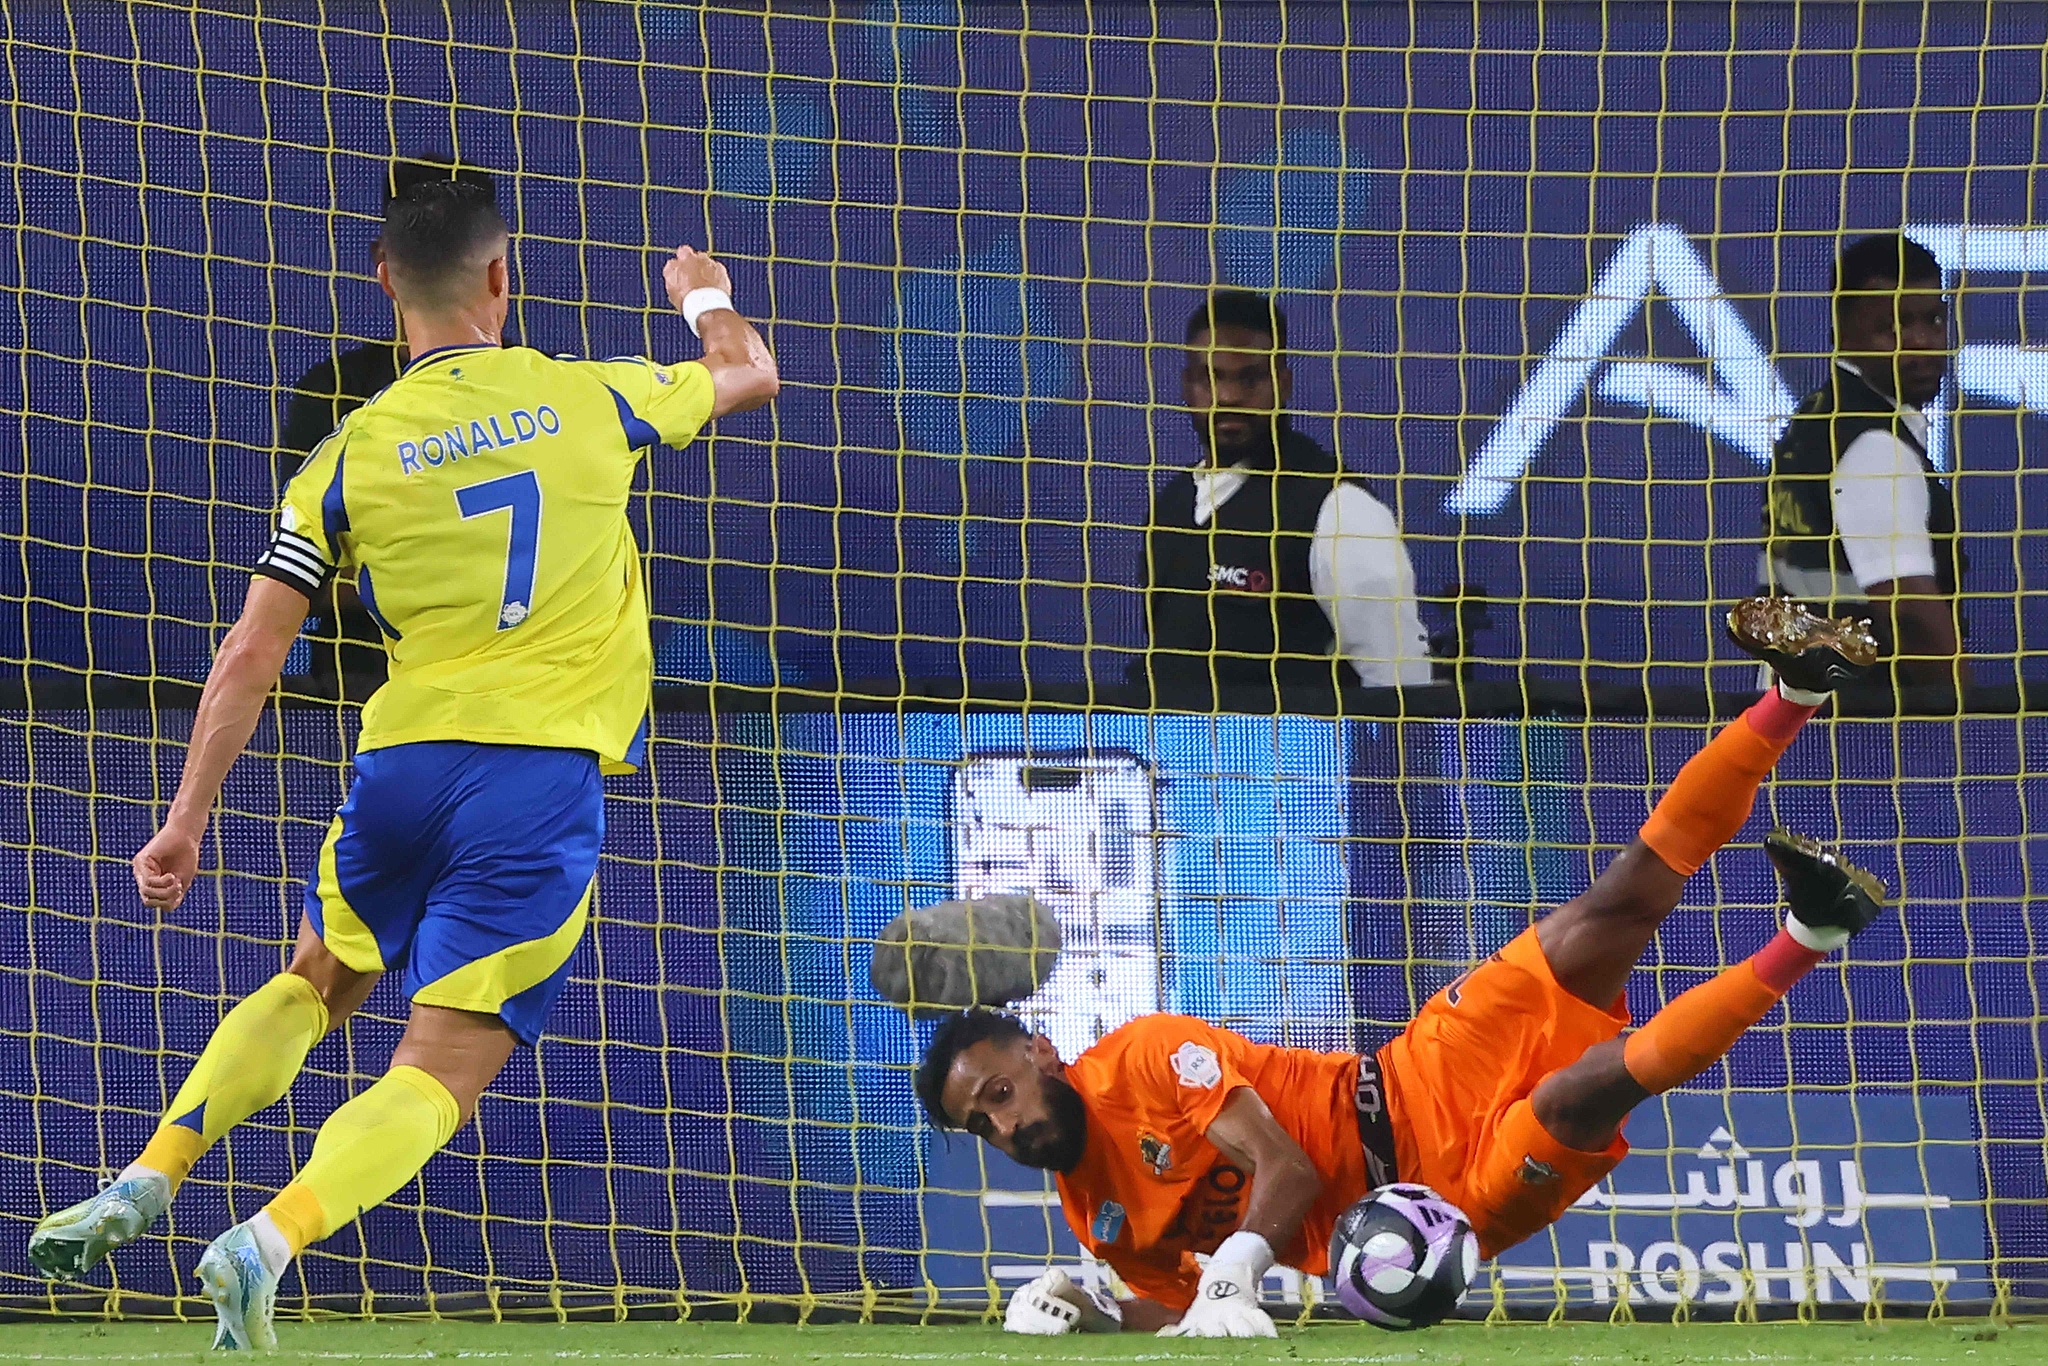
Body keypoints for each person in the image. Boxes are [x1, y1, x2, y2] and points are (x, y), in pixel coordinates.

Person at [27, 181, 779, 1348]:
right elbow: (751, 374)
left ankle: (152, 1170)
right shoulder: (588, 394)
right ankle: (269, 1236)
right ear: (501, 277)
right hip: (536, 780)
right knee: (442, 1067)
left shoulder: (343, 455)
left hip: (403, 764)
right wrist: (703, 298)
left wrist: (181, 822)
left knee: (315, 981)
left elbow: (249, 652)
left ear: (385, 283)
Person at [919, 597, 1884, 1337]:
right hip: (1430, 1205)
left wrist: (1229, 1271)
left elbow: (1285, 1167)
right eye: (984, 1120)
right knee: (1585, 1093)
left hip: (1414, 1071)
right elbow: (1186, 1312)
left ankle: (1795, 690)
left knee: (1618, 901)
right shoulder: (1101, 1222)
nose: (1006, 1123)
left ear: (1043, 1050)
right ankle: (1804, 938)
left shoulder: (1142, 1057)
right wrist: (1093, 1314)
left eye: (1002, 1089)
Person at [1129, 292, 1431, 704]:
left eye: (1250, 378)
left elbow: (1401, 686)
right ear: (1187, 385)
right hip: (1173, 759)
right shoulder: (1171, 507)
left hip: (1298, 763)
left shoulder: (1339, 509)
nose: (1229, 396)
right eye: (1211, 377)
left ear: (1284, 383)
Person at [277, 160, 500, 699]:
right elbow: (310, 579)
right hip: (360, 694)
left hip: (504, 693)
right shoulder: (332, 393)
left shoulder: (547, 391)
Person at [1763, 233, 1968, 692]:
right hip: (1868, 731)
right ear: (1841, 332)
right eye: (1894, 325)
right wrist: (1966, 717)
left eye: (1933, 320)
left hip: (1792, 715)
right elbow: (1908, 609)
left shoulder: (1817, 417)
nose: (1922, 342)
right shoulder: (1876, 447)